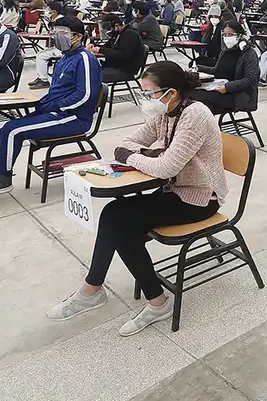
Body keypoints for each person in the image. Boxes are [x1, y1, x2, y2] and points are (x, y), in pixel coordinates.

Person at [45, 61, 226, 336]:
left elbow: (164, 168)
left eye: (150, 93)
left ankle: (152, 302)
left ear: (171, 92)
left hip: (199, 198)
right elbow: (126, 142)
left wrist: (137, 157)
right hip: (173, 190)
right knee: (114, 215)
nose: (147, 100)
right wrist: (148, 155)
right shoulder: (167, 113)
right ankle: (95, 290)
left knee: (119, 222)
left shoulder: (194, 116)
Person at [0, 17, 100, 207]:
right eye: (55, 33)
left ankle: (2, 178)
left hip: (73, 118)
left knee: (13, 131)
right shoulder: (65, 58)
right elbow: (57, 90)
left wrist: (55, 106)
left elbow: (85, 95)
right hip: (55, 112)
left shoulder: (85, 59)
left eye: (62, 34)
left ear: (78, 37)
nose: (57, 37)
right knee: (3, 131)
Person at [192, 21, 260, 114]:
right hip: (221, 87)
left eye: (230, 34)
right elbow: (217, 70)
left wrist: (227, 87)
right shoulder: (225, 51)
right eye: (224, 34)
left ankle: (207, 125)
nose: (227, 37)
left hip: (240, 95)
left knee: (202, 100)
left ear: (239, 36)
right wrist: (199, 68)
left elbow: (250, 79)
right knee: (191, 93)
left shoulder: (249, 53)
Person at [88, 13, 146, 83]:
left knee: (91, 76)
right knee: (88, 71)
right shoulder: (117, 34)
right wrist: (93, 45)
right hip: (114, 66)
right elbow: (107, 46)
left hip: (125, 70)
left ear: (117, 25)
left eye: (108, 27)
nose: (106, 30)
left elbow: (122, 54)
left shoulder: (130, 34)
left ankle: (98, 93)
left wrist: (100, 50)